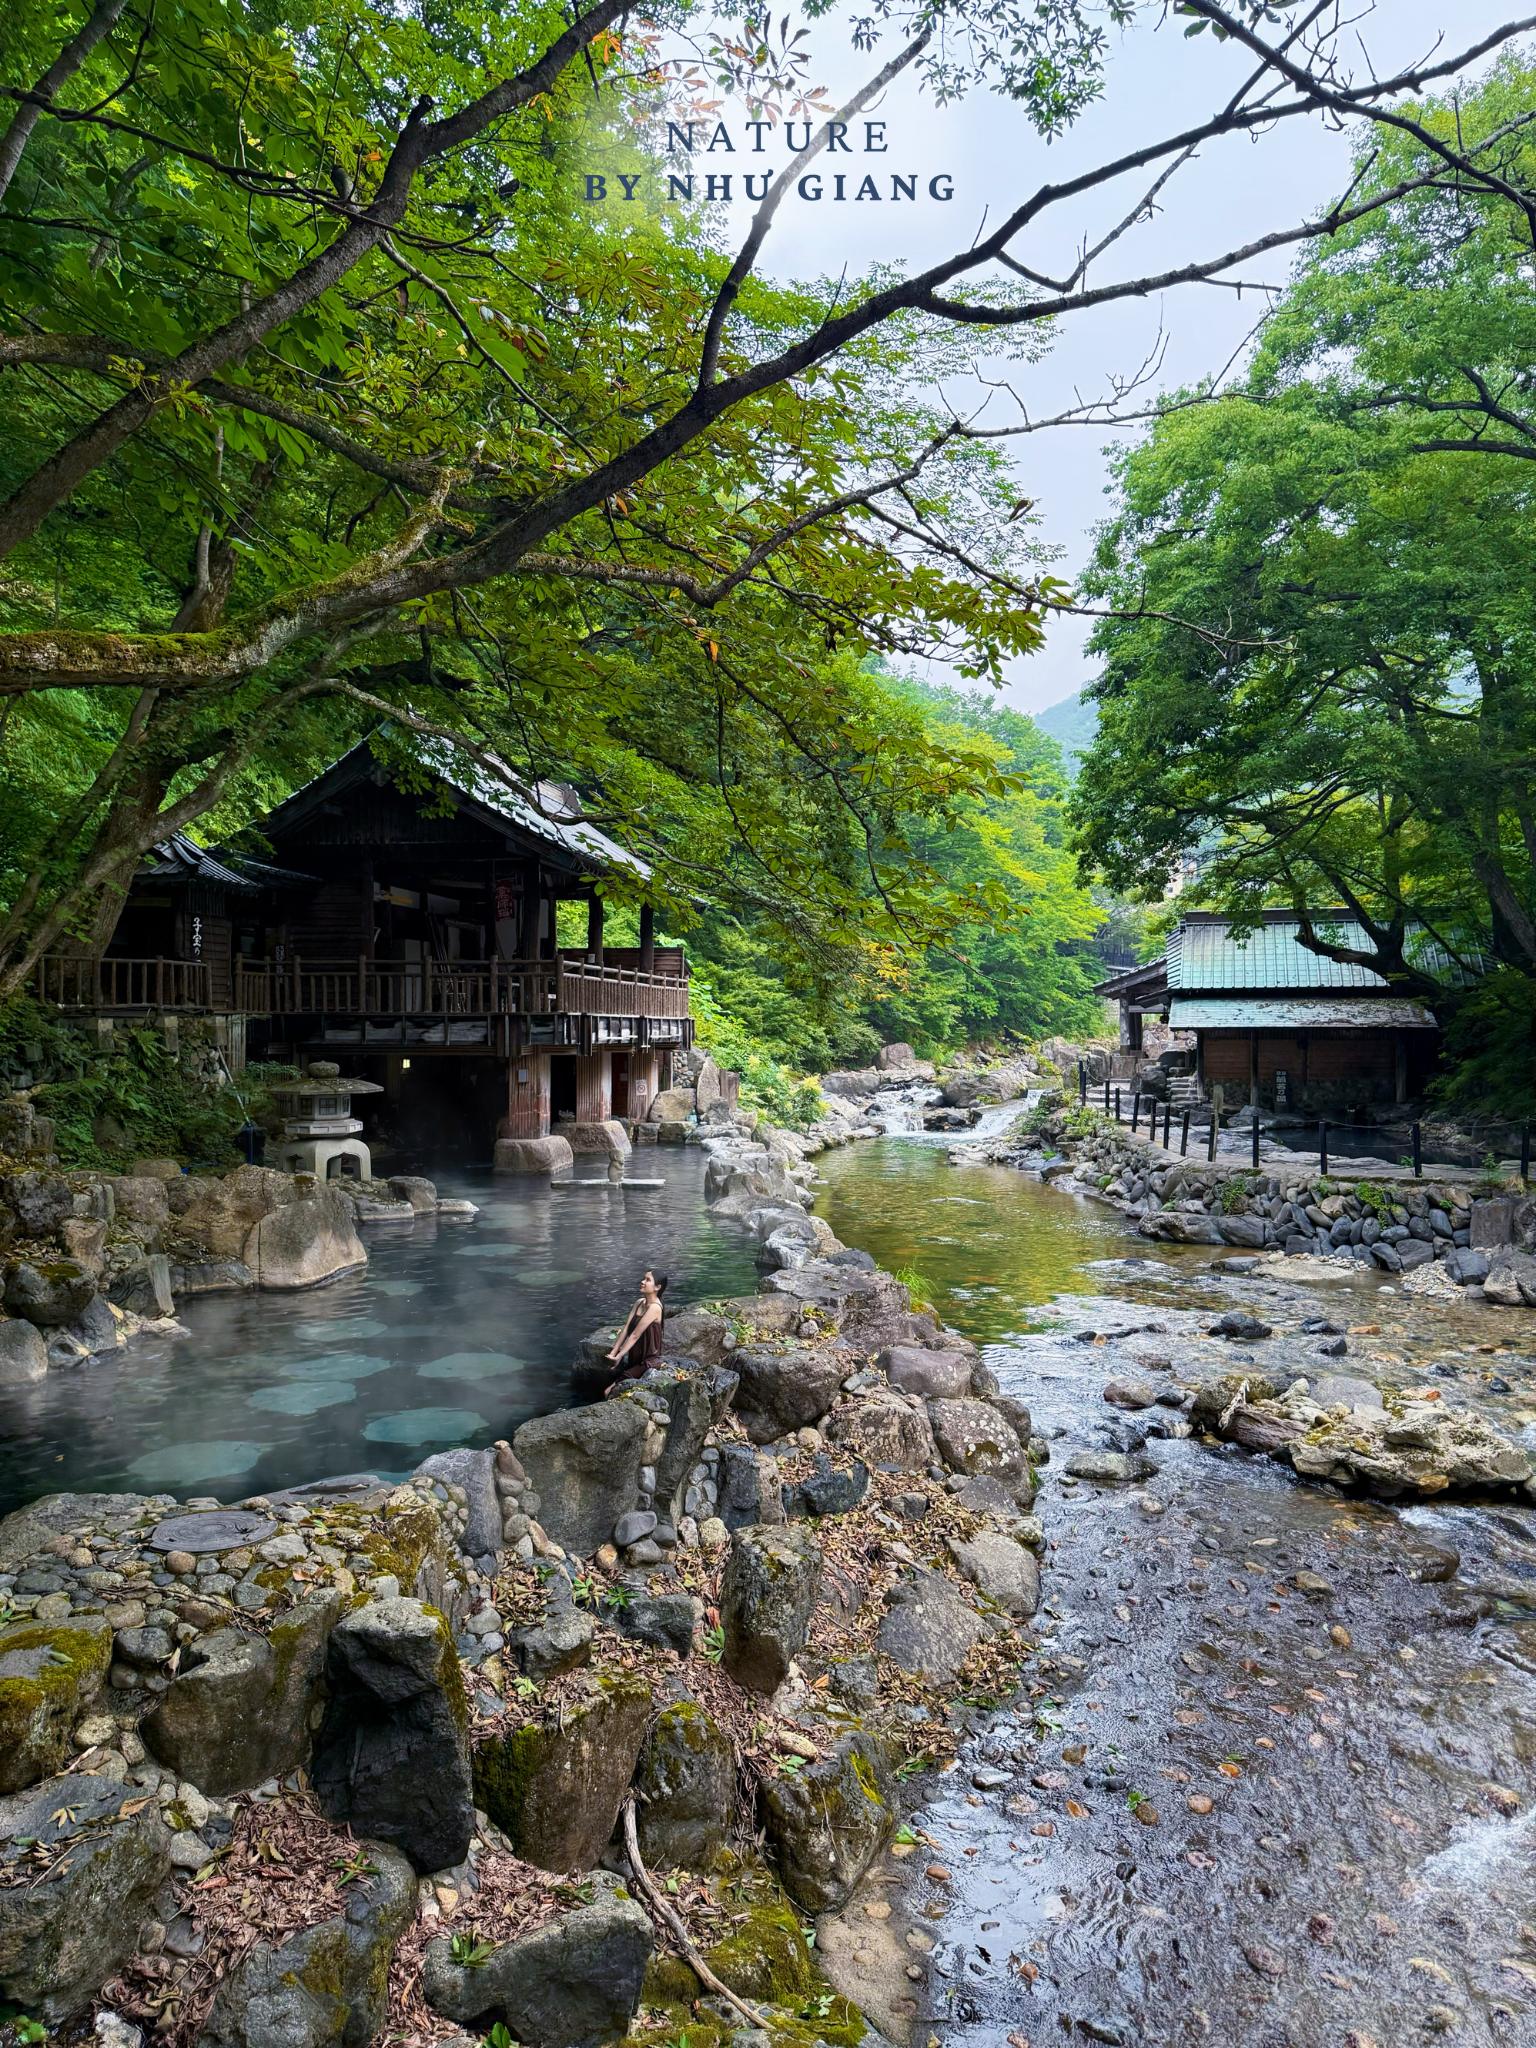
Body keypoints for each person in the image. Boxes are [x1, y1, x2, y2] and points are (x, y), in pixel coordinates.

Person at [604, 1269, 668, 1387]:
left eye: (647, 1280)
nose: (642, 1282)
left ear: (657, 1287)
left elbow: (635, 1335)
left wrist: (619, 1356)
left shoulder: (655, 1308)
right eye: (644, 1278)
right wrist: (614, 1353)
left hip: (649, 1361)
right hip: (635, 1358)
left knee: (609, 1390)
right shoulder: (639, 1302)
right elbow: (627, 1328)